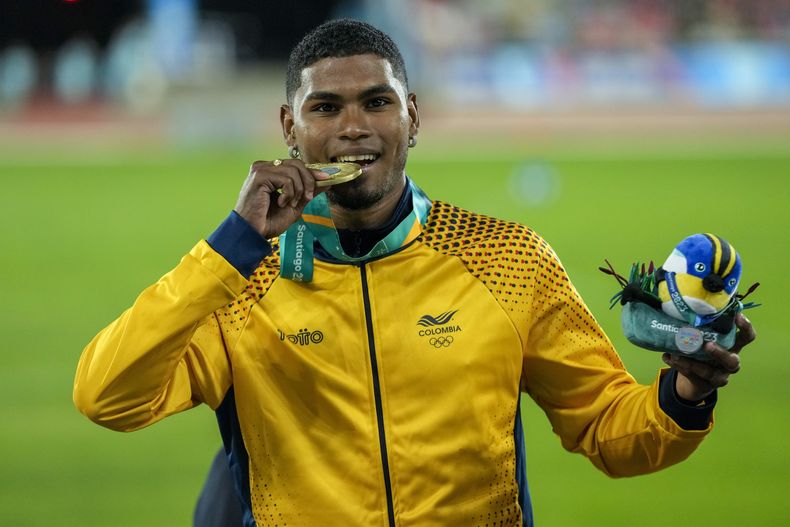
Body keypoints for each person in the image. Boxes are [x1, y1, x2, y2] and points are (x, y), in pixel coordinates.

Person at [73, 19, 755, 527]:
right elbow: (107, 395)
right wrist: (230, 247)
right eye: (324, 108)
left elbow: (610, 428)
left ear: (413, 117)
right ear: (289, 128)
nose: (352, 128)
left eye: (377, 102)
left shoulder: (508, 259)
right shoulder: (240, 281)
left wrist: (684, 393)